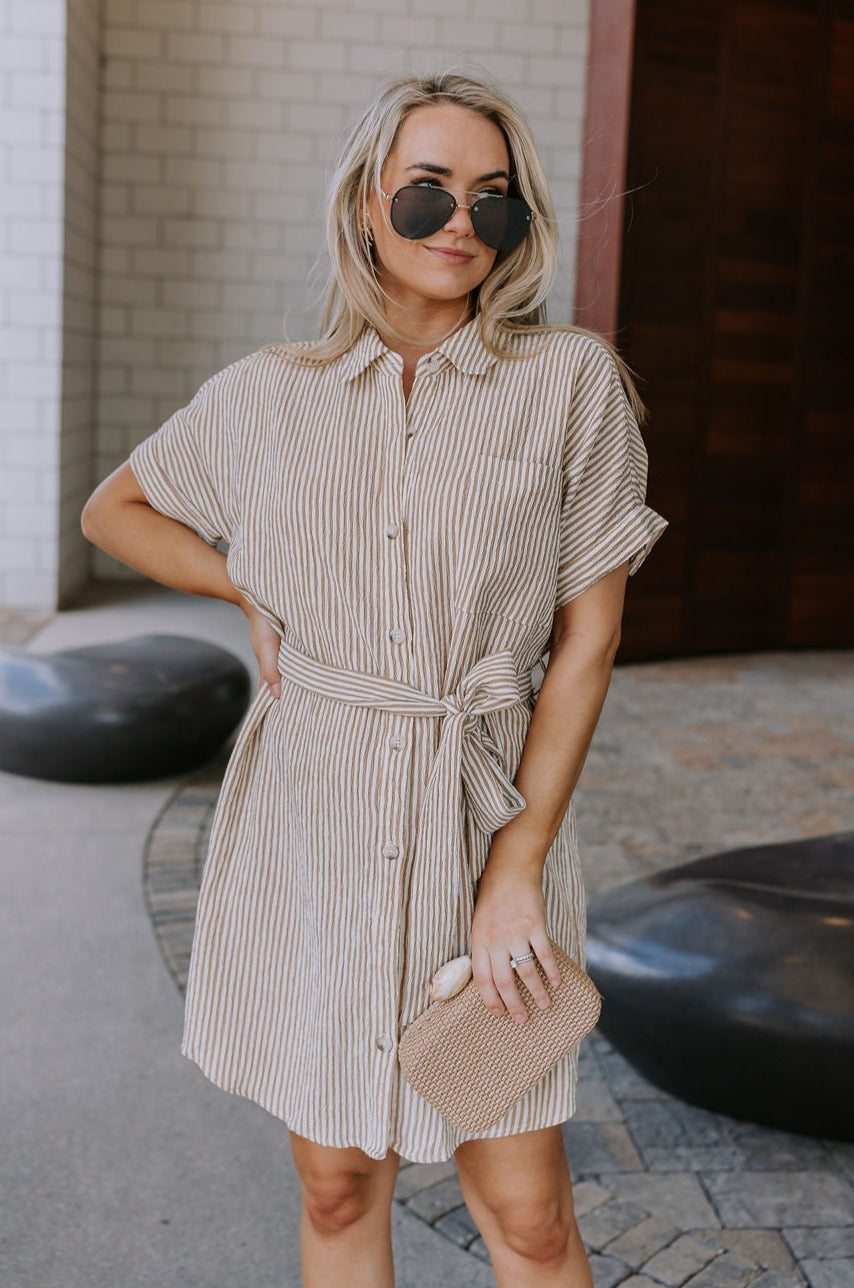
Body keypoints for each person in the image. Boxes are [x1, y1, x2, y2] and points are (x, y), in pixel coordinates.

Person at [82, 70, 667, 1288]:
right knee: (339, 1182)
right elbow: (116, 510)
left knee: (528, 1212)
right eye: (428, 192)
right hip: (318, 833)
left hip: (480, 824)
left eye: (493, 200)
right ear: (363, 204)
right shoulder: (266, 395)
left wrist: (511, 870)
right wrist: (246, 584)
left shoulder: (569, 384)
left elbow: (587, 642)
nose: (462, 222)